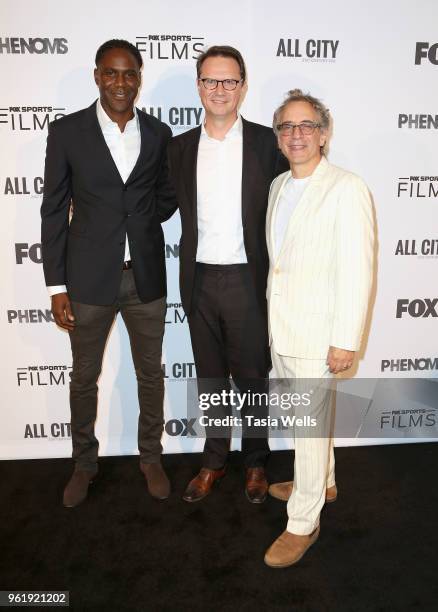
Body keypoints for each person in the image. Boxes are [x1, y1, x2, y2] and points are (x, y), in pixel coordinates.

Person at [41, 39, 177, 508]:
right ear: (97, 76)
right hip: (87, 279)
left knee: (150, 375)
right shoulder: (67, 132)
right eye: (111, 73)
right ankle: (83, 463)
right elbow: (54, 210)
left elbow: (165, 196)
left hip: (145, 277)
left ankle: (151, 456)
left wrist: (138, 220)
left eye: (130, 74)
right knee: (83, 376)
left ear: (139, 77)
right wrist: (56, 285)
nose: (121, 83)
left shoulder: (159, 134)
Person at [168, 46, 287, 503]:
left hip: (247, 281)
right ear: (198, 86)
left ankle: (256, 462)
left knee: (253, 378)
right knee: (211, 379)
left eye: (229, 81)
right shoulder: (179, 148)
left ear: (243, 86)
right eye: (211, 81)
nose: (220, 90)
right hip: (198, 281)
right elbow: (156, 205)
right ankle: (214, 460)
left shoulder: (266, 143)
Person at [264, 89, 374, 566]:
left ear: (324, 134)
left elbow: (358, 269)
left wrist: (345, 339)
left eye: (306, 125)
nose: (297, 134)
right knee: (302, 425)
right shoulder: (277, 186)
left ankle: (302, 521)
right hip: (281, 327)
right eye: (287, 127)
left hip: (318, 333)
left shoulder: (347, 187)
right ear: (278, 137)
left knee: (307, 430)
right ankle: (321, 479)